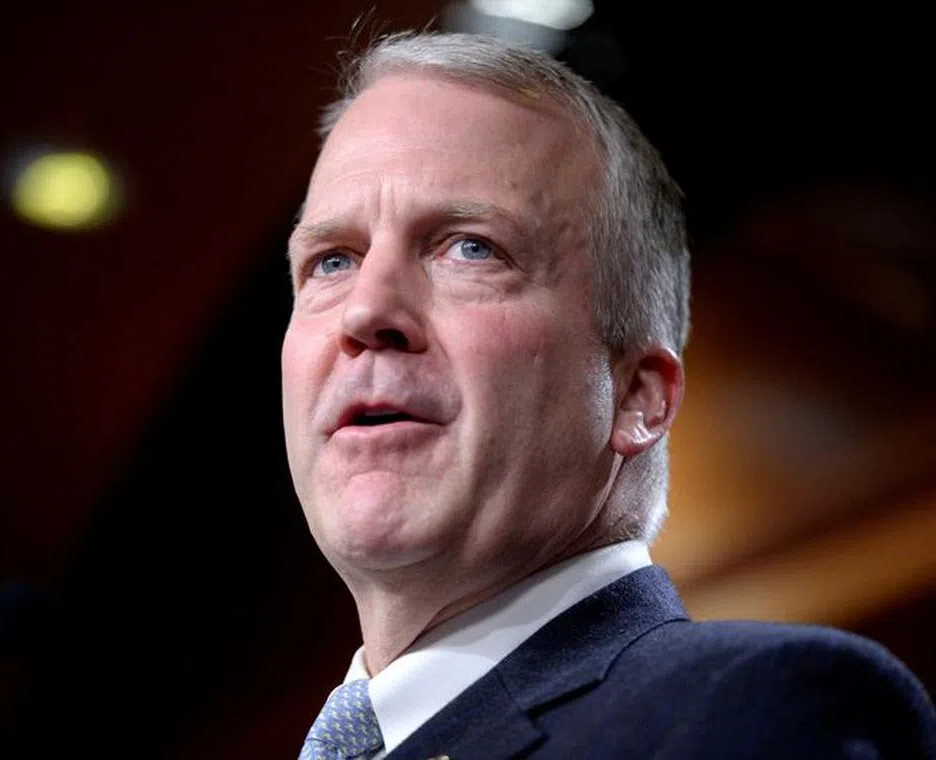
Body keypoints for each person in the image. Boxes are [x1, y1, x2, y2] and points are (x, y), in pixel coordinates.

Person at [280, 30, 936, 760]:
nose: (367, 312)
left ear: (638, 398)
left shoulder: (746, 716)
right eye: (332, 260)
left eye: (472, 247)